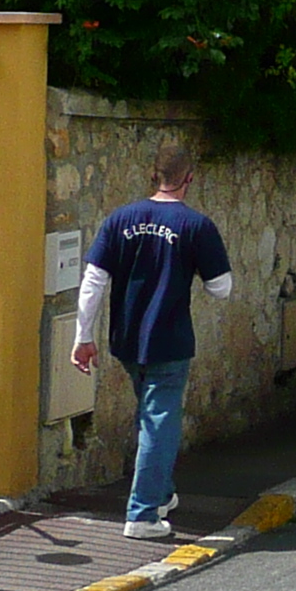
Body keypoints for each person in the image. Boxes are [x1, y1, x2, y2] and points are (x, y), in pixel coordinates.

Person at [73, 141, 233, 540]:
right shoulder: (196, 226)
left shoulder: (119, 220)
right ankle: (142, 515)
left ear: (153, 175)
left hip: (127, 339)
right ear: (189, 178)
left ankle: (160, 495)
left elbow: (93, 281)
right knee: (161, 423)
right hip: (170, 340)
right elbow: (222, 288)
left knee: (150, 417)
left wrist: (83, 337)